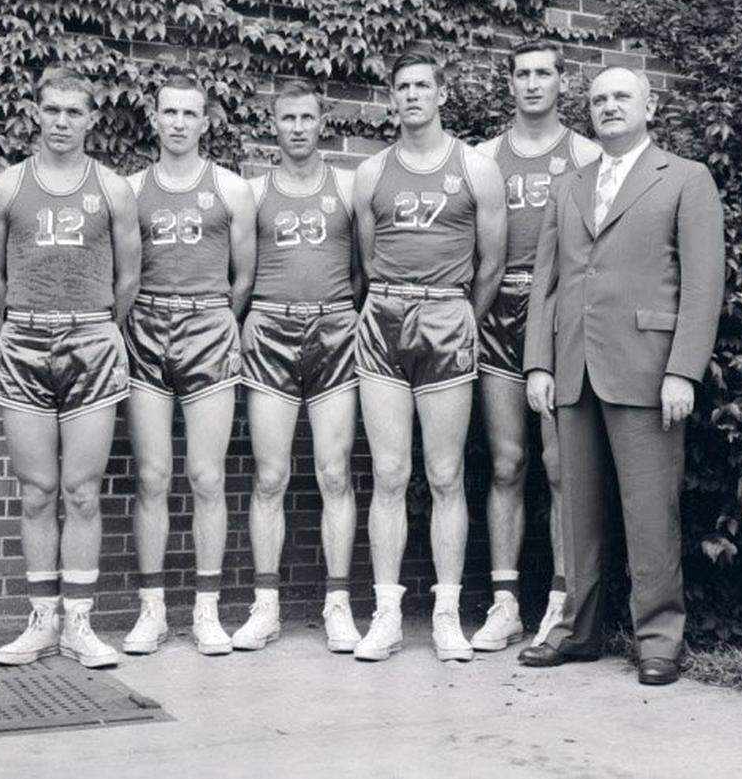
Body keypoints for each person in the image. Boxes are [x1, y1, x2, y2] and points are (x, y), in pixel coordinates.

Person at [517, 66, 725, 685]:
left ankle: (659, 639)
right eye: (600, 99)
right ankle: (577, 631)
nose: (609, 106)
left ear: (648, 105)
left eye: (621, 97)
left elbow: (703, 284)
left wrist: (683, 371)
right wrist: (538, 363)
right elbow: (546, 282)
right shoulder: (569, 185)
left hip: (648, 369)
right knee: (576, 510)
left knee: (649, 510)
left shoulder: (686, 179)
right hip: (574, 367)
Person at [0, 66, 141, 668]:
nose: (62, 121)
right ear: (36, 113)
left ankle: (79, 623)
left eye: (75, 111)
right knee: (37, 490)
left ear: (91, 118)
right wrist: (25, 319)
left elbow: (128, 278)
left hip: (93, 340)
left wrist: (95, 325)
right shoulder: (6, 187)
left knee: (81, 490)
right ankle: (42, 620)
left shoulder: (113, 189)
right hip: (23, 341)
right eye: (53, 110)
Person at [352, 50, 506, 662]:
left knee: (444, 475)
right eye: (402, 87)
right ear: (391, 98)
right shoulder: (370, 173)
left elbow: (491, 261)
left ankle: (446, 614)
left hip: (447, 314)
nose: (413, 95)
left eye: (423, 85)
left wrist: (467, 313)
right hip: (385, 316)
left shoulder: (476, 168)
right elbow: (366, 260)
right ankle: (386, 614)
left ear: (441, 93)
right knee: (389, 474)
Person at [470, 41, 601, 652]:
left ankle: (561, 600)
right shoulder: (482, 159)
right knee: (505, 463)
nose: (531, 84)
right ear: (510, 84)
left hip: (556, 319)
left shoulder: (586, 155)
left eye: (542, 74)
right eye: (521, 74)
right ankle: (505, 603)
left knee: (559, 467)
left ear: (561, 84)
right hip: (499, 310)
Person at [121, 73, 256, 656]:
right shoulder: (127, 190)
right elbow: (121, 272)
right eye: (169, 112)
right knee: (152, 476)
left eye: (189, 114)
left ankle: (206, 610)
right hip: (146, 326)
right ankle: (152, 611)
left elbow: (243, 274)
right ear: (154, 118)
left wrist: (220, 321)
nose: (178, 123)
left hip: (206, 325)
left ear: (206, 123)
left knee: (206, 476)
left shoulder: (231, 189)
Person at [231, 81, 363, 653]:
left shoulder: (351, 187)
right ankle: (266, 606)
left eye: (308, 117)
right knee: (270, 476)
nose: (298, 128)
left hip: (333, 326)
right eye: (288, 118)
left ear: (321, 123)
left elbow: (363, 268)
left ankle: (338, 604)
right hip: (270, 328)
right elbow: (242, 270)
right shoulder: (252, 193)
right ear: (274, 125)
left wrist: (339, 312)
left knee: (335, 472)